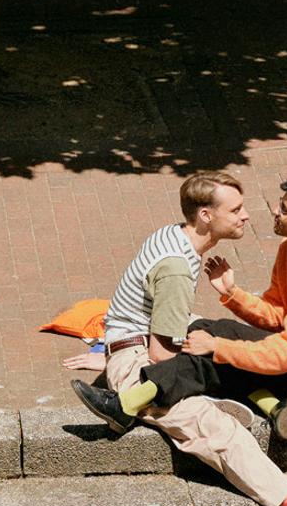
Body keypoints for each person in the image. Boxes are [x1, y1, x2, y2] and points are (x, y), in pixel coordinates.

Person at [88, 176, 287, 506]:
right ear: (206, 215)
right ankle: (279, 431)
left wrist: (216, 349)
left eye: (282, 209)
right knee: (211, 348)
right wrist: (232, 295)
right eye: (236, 209)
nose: (259, 214)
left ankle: (126, 402)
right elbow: (277, 315)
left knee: (212, 349)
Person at [69, 172, 254, 414]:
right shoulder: (176, 269)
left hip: (135, 337)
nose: (245, 215)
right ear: (205, 216)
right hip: (139, 354)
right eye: (235, 210)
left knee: (230, 337)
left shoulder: (173, 233)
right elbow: (161, 355)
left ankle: (265, 400)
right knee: (215, 389)